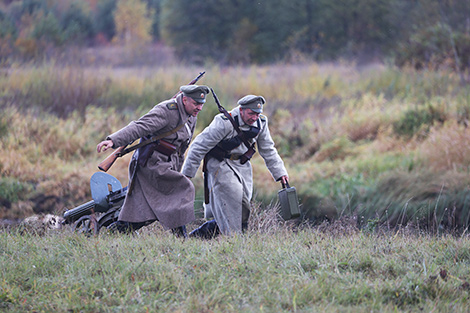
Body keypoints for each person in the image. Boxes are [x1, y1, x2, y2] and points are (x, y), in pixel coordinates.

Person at [96, 85, 210, 237]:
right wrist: (113, 141)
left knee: (149, 209)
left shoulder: (191, 114)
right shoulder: (166, 111)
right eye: (196, 103)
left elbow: (182, 147)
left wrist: (177, 168)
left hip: (167, 164)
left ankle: (116, 231)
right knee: (182, 189)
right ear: (184, 99)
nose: (200, 108)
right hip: (151, 165)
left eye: (201, 104)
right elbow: (139, 127)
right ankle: (181, 237)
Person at [181, 94, 289, 238]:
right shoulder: (224, 122)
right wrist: (187, 174)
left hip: (242, 166)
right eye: (251, 113)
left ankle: (200, 236)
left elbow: (268, 150)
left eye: (258, 114)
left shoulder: (261, 123)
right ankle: (235, 241)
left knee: (243, 206)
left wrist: (280, 173)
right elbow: (198, 146)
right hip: (219, 165)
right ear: (242, 110)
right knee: (233, 197)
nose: (254, 118)